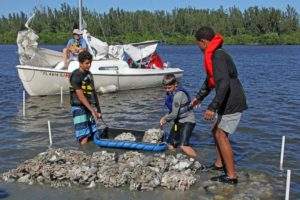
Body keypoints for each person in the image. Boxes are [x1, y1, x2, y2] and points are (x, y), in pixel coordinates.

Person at [191, 26, 247, 184]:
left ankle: (231, 176)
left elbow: (223, 84)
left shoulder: (218, 56)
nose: (199, 48)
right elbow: (210, 81)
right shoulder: (215, 55)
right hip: (227, 99)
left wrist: (212, 107)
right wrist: (199, 97)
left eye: (198, 45)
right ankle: (219, 164)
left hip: (232, 100)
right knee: (216, 131)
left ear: (204, 42)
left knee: (221, 134)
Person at [160, 74, 197, 158]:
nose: (167, 90)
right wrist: (165, 117)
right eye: (165, 88)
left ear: (175, 84)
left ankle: (197, 161)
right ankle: (173, 158)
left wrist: (164, 118)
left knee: (183, 145)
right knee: (170, 143)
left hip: (188, 121)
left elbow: (174, 114)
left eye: (169, 88)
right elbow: (172, 111)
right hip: (178, 123)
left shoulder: (178, 95)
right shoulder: (170, 94)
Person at [69, 51, 101, 145]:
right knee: (84, 135)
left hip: (89, 107)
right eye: (87, 63)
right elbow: (81, 97)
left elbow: (93, 93)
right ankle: (83, 154)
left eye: (90, 63)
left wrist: (98, 110)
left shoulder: (89, 74)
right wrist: (92, 111)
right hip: (79, 107)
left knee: (93, 132)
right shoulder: (75, 76)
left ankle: (91, 153)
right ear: (80, 63)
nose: (89, 65)